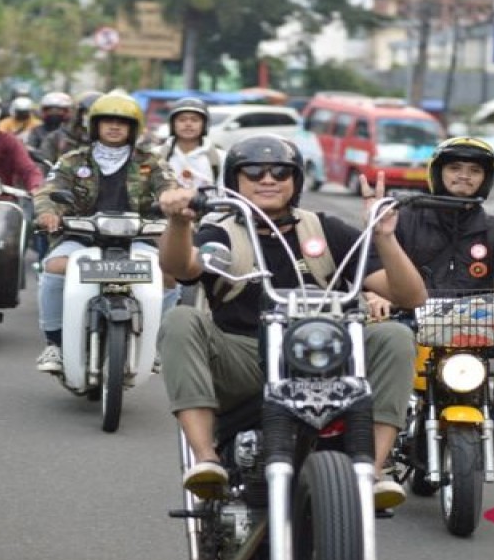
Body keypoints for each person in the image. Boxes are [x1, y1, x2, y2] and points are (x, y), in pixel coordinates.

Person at [157, 135, 427, 510]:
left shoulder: (324, 229)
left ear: (296, 180)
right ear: (235, 180)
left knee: (395, 335)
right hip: (246, 357)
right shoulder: (221, 231)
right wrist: (178, 222)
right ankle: (207, 459)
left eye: (280, 171)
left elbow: (411, 297)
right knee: (181, 319)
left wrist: (384, 236)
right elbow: (179, 268)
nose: (267, 179)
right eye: (253, 171)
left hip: (326, 357)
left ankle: (374, 470)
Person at [368, 137, 494, 475]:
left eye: (474, 170)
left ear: (486, 178)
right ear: (438, 172)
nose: (464, 176)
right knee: (384, 346)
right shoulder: (403, 218)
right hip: (411, 317)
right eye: (455, 168)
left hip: (474, 320)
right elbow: (374, 268)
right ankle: (379, 438)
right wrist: (375, 296)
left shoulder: (493, 226)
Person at [32, 91, 183, 373]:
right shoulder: (72, 160)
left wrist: (171, 199)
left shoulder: (152, 162)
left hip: (138, 237)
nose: (114, 127)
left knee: (170, 274)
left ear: (133, 128)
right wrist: (48, 212)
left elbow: (169, 187)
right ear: (95, 126)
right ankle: (54, 343)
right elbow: (48, 190)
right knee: (53, 266)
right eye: (107, 121)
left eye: (121, 122)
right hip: (81, 236)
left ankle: (155, 343)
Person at [26, 91, 73, 162]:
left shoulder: (73, 132)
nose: (54, 113)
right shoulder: (37, 131)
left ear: (67, 111)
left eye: (59, 110)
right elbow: (30, 148)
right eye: (50, 110)